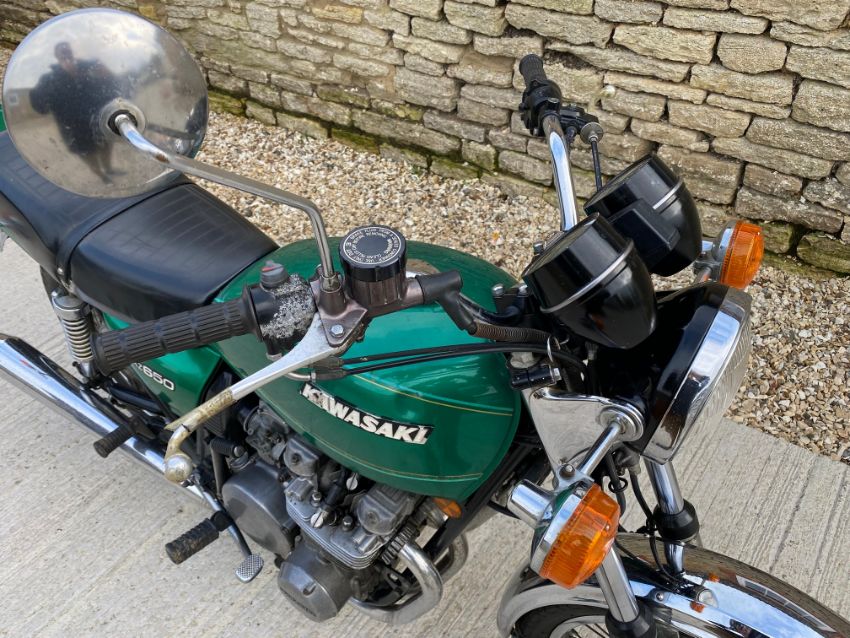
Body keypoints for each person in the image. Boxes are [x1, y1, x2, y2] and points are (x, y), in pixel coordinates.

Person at [29, 42, 122, 183]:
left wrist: (106, 74)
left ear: (72, 52)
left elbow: (112, 90)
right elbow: (41, 107)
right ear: (56, 56)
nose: (66, 54)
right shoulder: (49, 79)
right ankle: (102, 176)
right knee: (87, 153)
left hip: (98, 119)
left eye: (68, 51)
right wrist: (44, 89)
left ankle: (108, 169)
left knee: (106, 145)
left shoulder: (89, 67)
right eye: (62, 52)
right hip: (74, 129)